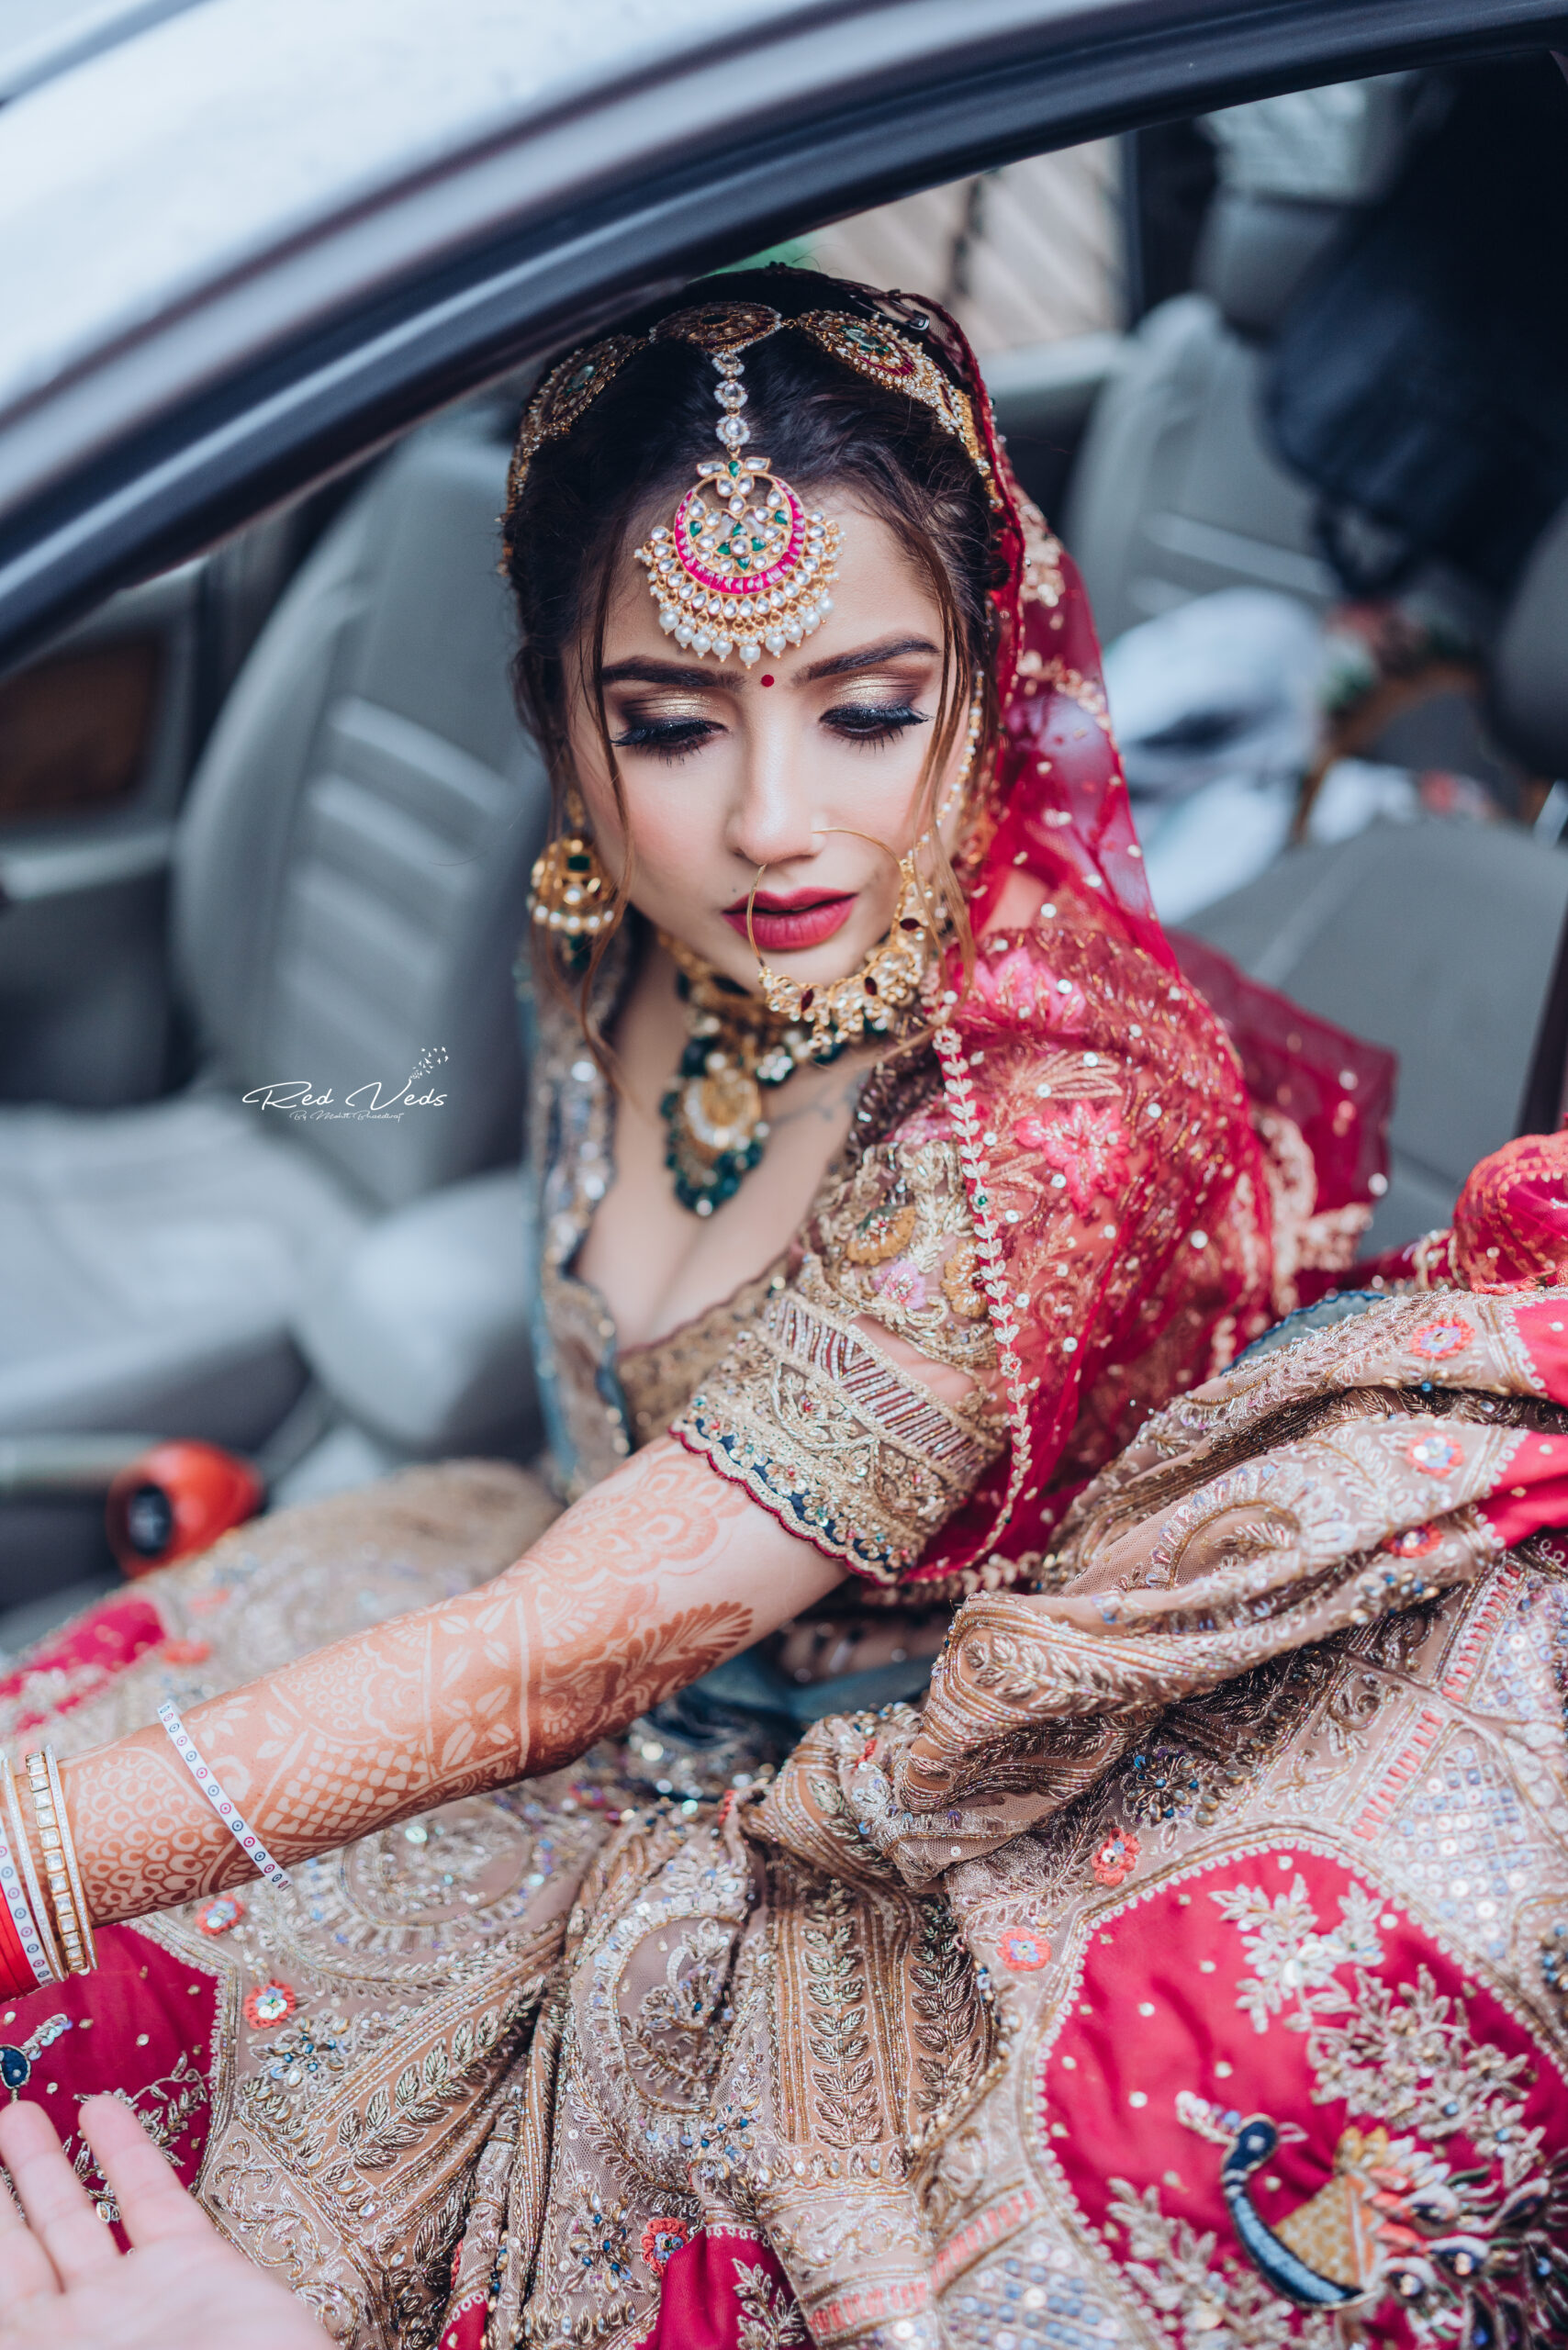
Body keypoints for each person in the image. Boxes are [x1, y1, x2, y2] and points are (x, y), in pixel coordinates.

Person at [0, 270, 1562, 2350]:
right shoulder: (613, 932)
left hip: (874, 1846)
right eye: (667, 720)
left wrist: (26, 1853)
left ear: (985, 684)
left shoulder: (1051, 1110)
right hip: (560, 1670)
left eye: (864, 704)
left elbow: (566, 1649)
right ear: (561, 715)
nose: (766, 821)